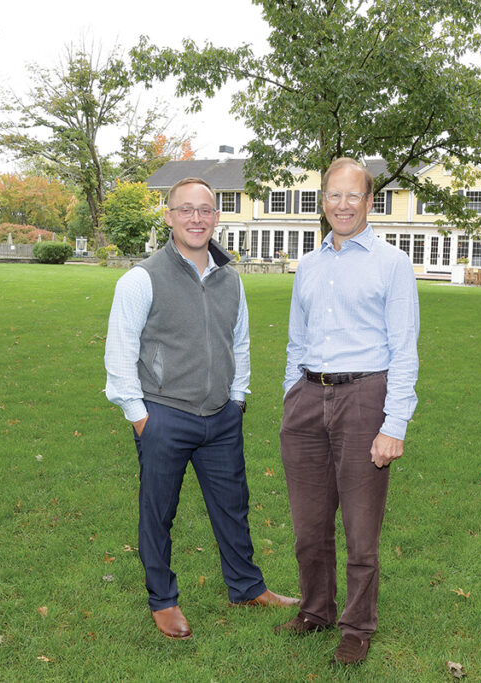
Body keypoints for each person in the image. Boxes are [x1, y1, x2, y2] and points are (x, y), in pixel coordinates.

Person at [104, 177, 298, 640]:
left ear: (216, 217)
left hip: (221, 417)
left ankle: (247, 587)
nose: (196, 218)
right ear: (169, 216)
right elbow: (119, 352)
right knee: (159, 512)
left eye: (205, 210)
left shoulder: (231, 278)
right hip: (163, 415)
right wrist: (139, 415)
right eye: (186, 209)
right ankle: (163, 600)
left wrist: (238, 399)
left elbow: (240, 341)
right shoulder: (141, 279)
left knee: (233, 507)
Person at [276, 158, 420, 664]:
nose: (342, 204)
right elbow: (298, 337)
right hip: (307, 399)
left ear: (369, 201)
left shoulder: (392, 263)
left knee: (361, 530)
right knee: (308, 526)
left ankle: (357, 627)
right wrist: (292, 398)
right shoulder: (310, 264)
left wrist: (394, 424)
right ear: (322, 201)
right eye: (333, 195)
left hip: (365, 399)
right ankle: (316, 610)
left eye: (352, 195)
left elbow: (404, 349)